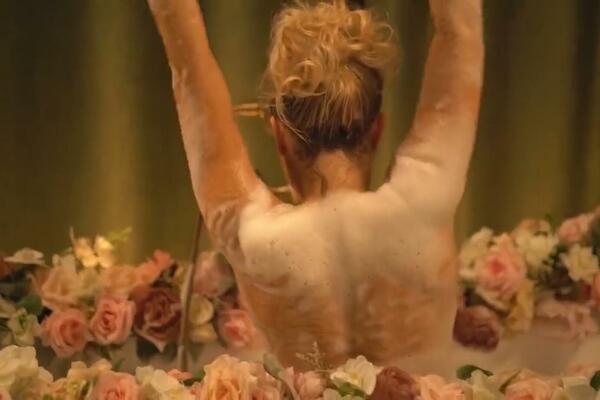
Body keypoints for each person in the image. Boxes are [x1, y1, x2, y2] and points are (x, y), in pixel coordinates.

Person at [147, 0, 484, 369]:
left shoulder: (254, 238)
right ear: (377, 130)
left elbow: (189, 72)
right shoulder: (425, 201)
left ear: (279, 135)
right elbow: (460, 31)